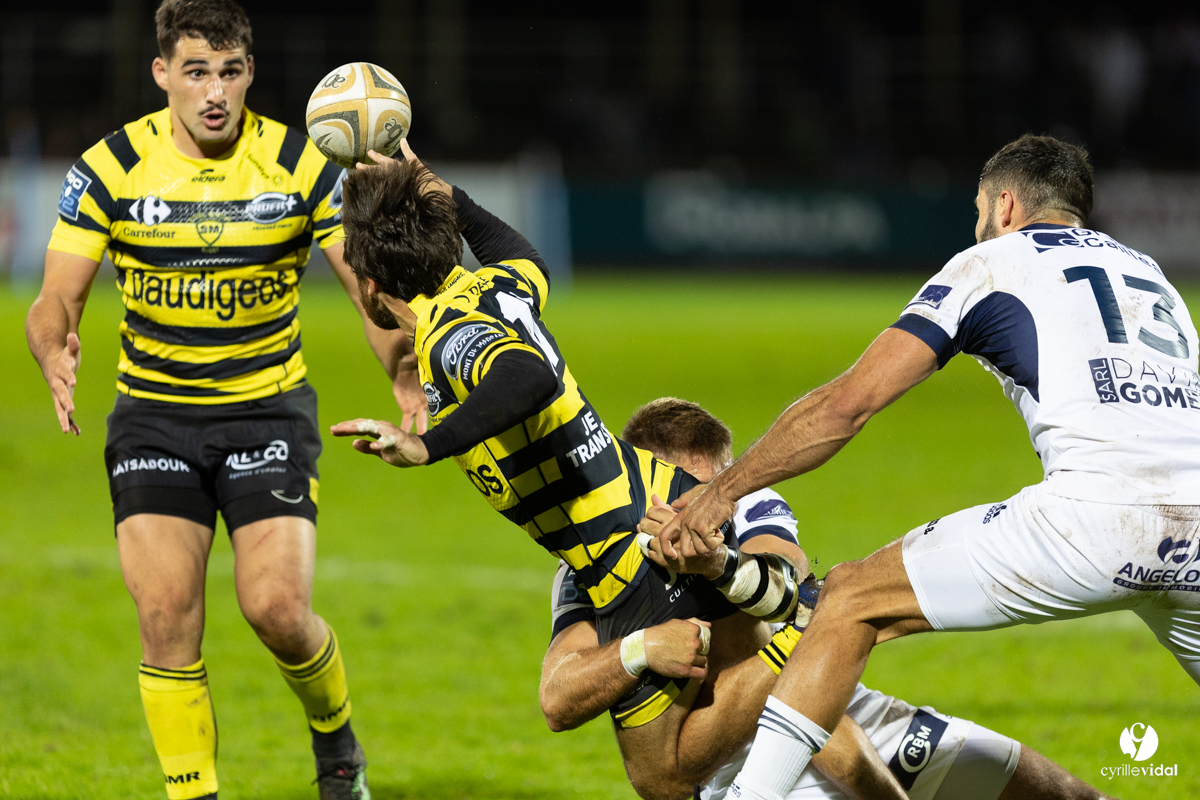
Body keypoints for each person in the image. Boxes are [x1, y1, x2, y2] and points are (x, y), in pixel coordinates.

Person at [655, 134, 1200, 800]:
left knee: (852, 599)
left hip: (1094, 517)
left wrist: (726, 491)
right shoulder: (1154, 278)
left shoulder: (990, 261)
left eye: (979, 207)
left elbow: (847, 406)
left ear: (1004, 204)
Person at [25, 2, 422, 798]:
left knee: (276, 608)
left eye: (231, 72)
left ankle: (336, 745)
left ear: (250, 73)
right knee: (167, 616)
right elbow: (54, 298)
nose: (215, 92)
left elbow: (367, 291)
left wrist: (404, 372)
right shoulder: (109, 167)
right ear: (162, 73)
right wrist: (54, 346)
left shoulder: (299, 163)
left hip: (267, 414)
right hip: (153, 419)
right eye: (197, 71)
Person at [542, 398, 1114, 800]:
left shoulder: (744, 507)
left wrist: (718, 565)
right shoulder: (595, 568)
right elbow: (558, 700)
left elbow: (788, 585)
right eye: (680, 496)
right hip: (729, 770)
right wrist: (639, 648)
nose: (700, 513)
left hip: (832, 705)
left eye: (712, 492)